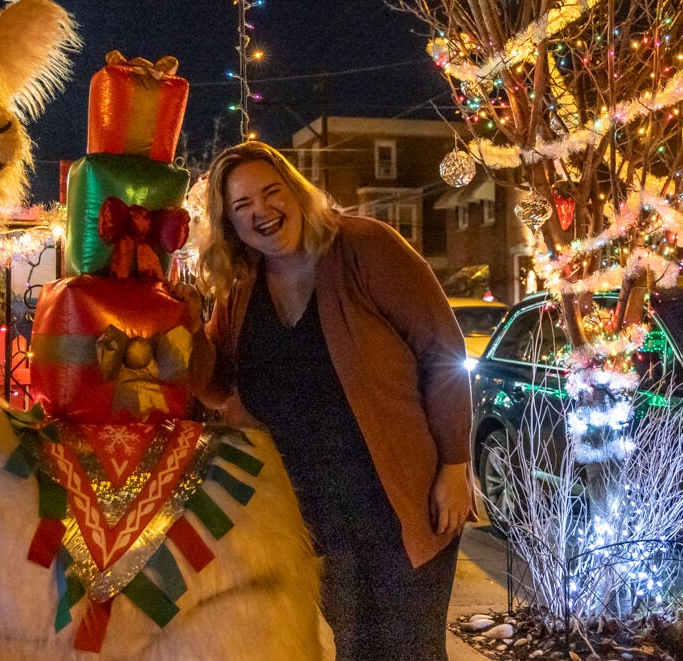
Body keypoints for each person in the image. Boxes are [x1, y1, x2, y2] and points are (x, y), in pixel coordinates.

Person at [193, 140, 474, 661]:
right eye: (242, 206)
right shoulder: (242, 287)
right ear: (230, 224)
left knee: (408, 649)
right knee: (355, 647)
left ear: (296, 193)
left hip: (401, 500)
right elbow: (217, 383)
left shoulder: (365, 247)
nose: (262, 211)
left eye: (271, 192)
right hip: (315, 516)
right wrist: (179, 327)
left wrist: (455, 466)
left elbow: (443, 351)